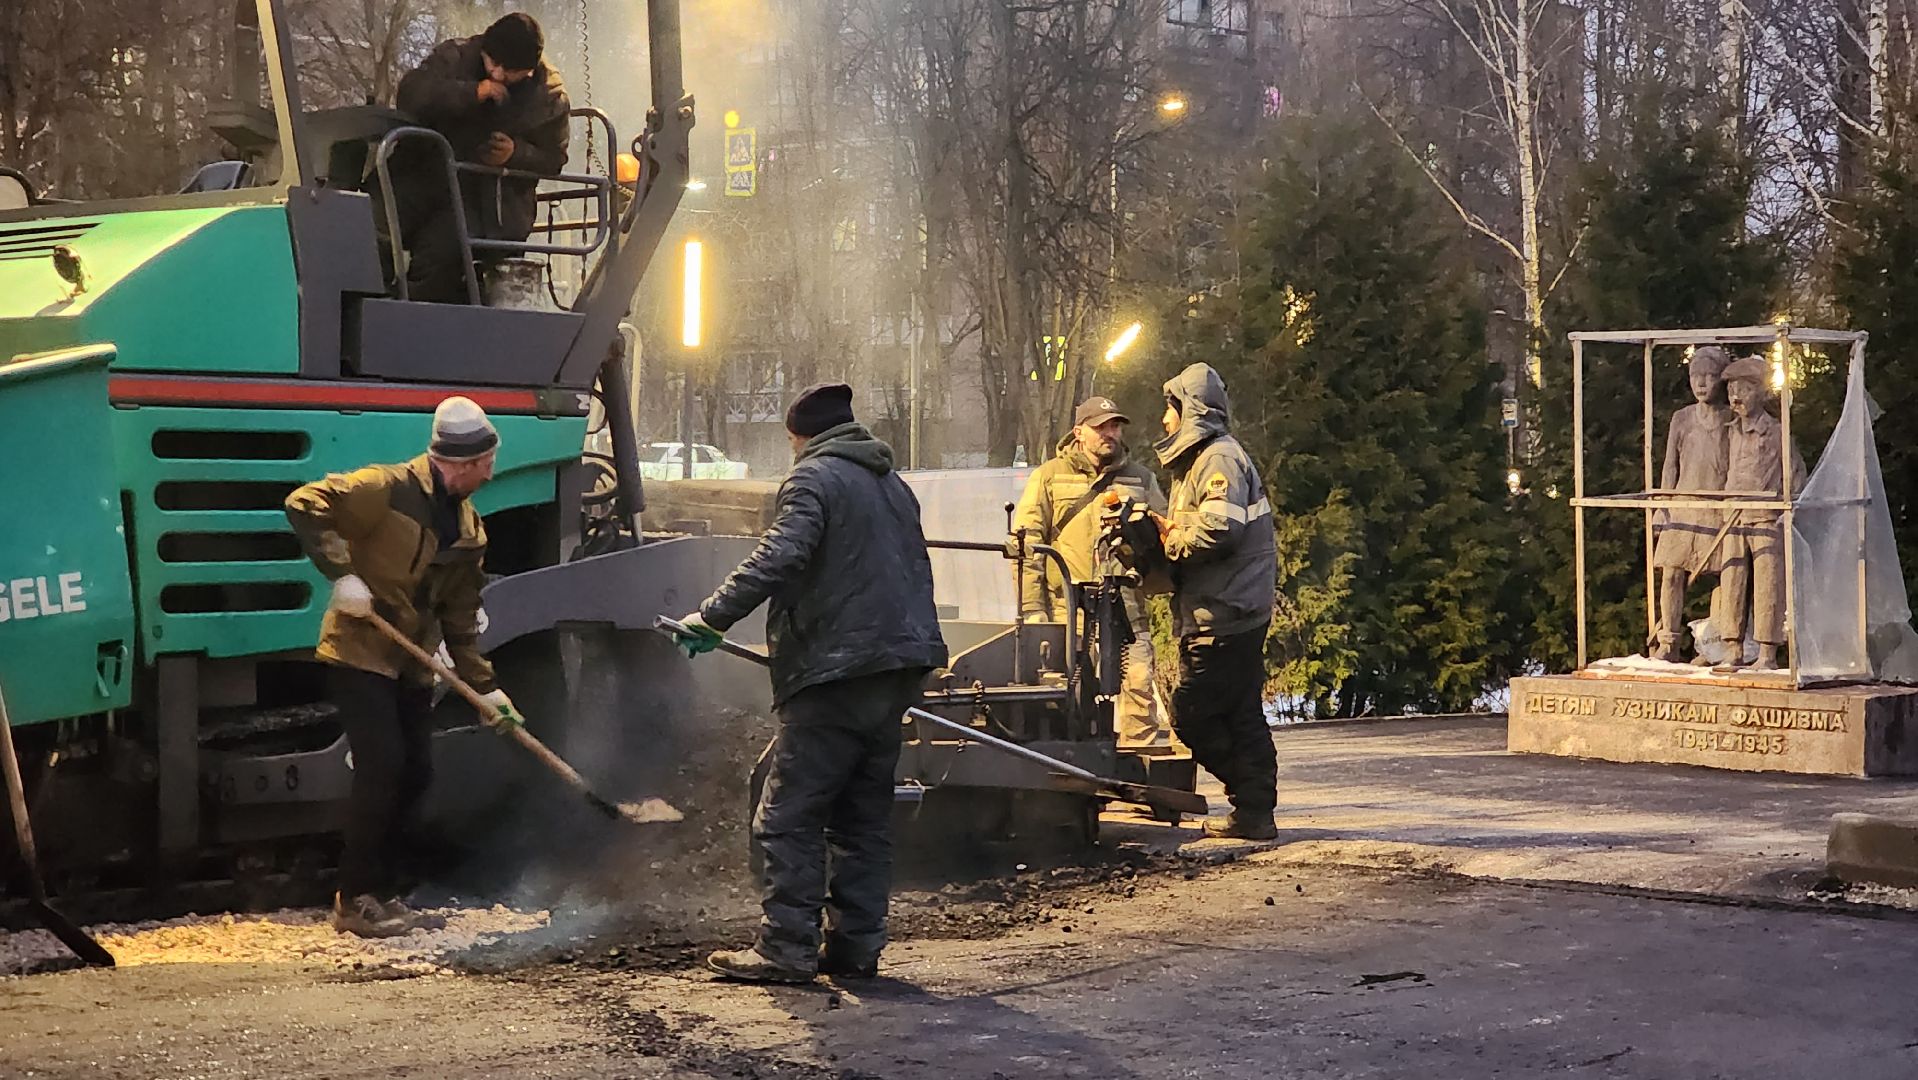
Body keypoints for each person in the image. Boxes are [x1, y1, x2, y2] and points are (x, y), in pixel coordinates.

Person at [667, 383, 948, 984]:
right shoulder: (891, 484)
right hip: (899, 665)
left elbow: (780, 554)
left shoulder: (813, 478)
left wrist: (712, 616)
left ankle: (785, 949)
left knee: (787, 814)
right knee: (861, 819)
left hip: (836, 669)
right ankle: (856, 947)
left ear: (800, 436)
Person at [285, 397, 520, 937]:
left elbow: (460, 616)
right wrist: (342, 575)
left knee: (417, 772)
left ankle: (385, 891)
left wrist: (486, 689)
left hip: (413, 663)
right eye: (486, 463)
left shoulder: (469, 530)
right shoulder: (384, 488)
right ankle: (353, 898)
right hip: (361, 650)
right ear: (461, 463)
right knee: (383, 765)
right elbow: (304, 502)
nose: (491, 473)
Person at [1151, 363, 1279, 840]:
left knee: (1192, 714)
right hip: (1227, 609)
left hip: (1224, 613)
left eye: (1170, 408)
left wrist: (1169, 540)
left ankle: (1252, 801)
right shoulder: (1204, 459)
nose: (1164, 420)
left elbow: (1220, 529)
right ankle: (1254, 812)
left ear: (1190, 411)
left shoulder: (1217, 459)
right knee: (1240, 713)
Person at [1007, 396, 1171, 752]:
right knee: (1069, 700)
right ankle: (1075, 771)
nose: (1110, 433)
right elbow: (1026, 547)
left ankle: (1137, 772)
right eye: (1100, 427)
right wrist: (1033, 609)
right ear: (1079, 432)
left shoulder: (1141, 478)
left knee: (1139, 693)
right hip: (1068, 613)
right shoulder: (1049, 477)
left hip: (1127, 611)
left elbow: (1165, 540)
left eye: (1115, 426)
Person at [387, 13, 571, 302]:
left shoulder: (550, 97)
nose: (498, 74)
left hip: (489, 205)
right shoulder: (454, 57)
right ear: (484, 48)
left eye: (510, 71)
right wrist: (472, 92)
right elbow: (411, 95)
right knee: (372, 229)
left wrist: (515, 154)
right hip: (421, 176)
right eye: (493, 63)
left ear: (530, 70)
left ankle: (409, 316)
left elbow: (554, 159)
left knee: (439, 253)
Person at [1717, 355, 1807, 671]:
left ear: (1761, 392)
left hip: (1767, 517)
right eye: (1731, 390)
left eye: (1744, 389)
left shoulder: (1777, 432)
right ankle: (1732, 647)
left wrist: (1789, 509)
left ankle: (1767, 651)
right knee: (1732, 579)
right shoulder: (1730, 431)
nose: (1736, 397)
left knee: (1768, 583)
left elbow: (1795, 472)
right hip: (1733, 515)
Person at [1651, 347, 1733, 663]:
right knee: (1671, 573)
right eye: (1695, 376)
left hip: (1718, 508)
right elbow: (1670, 465)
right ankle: (1668, 642)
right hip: (1683, 507)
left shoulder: (1731, 417)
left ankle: (1720, 644)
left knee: (1727, 575)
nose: (1701, 383)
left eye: (1709, 377)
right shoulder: (1682, 418)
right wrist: (1662, 506)